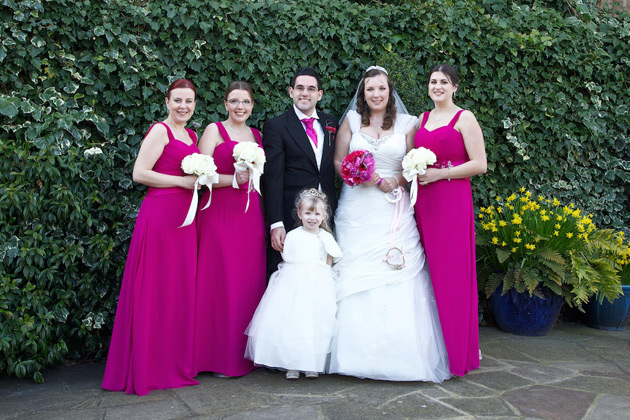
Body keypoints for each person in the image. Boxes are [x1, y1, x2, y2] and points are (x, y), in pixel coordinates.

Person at [329, 67, 451, 382]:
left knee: (395, 271)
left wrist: (395, 178)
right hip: (357, 207)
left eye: (381, 89)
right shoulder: (353, 122)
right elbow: (338, 161)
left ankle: (399, 355)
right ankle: (354, 354)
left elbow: (413, 164)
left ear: (389, 91)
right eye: (370, 90)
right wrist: (358, 174)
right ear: (363, 93)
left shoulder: (408, 124)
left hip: (393, 207)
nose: (376, 95)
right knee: (356, 272)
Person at [102, 79, 200, 395]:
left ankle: (170, 363)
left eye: (189, 101)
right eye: (178, 101)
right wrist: (182, 183)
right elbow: (139, 173)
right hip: (160, 218)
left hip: (185, 222)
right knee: (154, 287)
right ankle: (147, 366)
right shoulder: (161, 131)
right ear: (167, 102)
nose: (183, 106)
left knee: (177, 289)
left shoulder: (193, 135)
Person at [414, 64, 487, 376]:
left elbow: (480, 164)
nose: (437, 86)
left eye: (444, 82)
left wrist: (440, 173)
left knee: (452, 275)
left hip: (452, 201)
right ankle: (431, 348)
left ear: (455, 86)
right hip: (423, 201)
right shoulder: (422, 119)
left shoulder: (464, 118)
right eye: (433, 81)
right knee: (424, 273)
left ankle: (459, 354)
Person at [193, 81, 266, 378]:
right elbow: (199, 174)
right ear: (225, 103)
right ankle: (213, 356)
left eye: (246, 102)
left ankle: (242, 356)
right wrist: (232, 178)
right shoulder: (214, 130)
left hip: (250, 216)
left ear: (252, 106)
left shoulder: (258, 135)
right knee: (218, 280)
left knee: (246, 282)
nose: (240, 107)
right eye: (234, 101)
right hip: (218, 213)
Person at [244, 189, 342, 380]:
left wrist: (326, 276)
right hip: (294, 284)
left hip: (318, 284)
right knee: (294, 322)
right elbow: (288, 257)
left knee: (316, 323)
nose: (312, 218)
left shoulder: (325, 236)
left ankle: (312, 364)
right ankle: (292, 364)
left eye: (316, 214)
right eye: (307, 213)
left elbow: (331, 257)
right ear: (299, 214)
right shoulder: (294, 235)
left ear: (324, 216)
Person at [262, 67, 339, 278]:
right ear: (291, 92)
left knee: (323, 270)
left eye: (311, 89)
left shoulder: (330, 123)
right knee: (291, 274)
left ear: (320, 94)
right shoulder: (276, 126)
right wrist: (276, 223)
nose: (305, 93)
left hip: (326, 215)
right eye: (300, 88)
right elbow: (272, 178)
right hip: (292, 215)